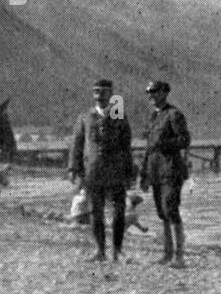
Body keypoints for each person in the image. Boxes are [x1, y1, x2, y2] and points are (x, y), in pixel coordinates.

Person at [68, 78, 135, 262]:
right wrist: (73, 167)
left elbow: (126, 146)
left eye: (104, 92)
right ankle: (99, 251)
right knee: (95, 212)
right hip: (93, 172)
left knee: (119, 212)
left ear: (111, 94)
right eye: (96, 92)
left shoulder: (119, 116)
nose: (99, 96)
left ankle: (118, 250)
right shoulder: (85, 116)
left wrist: (129, 171)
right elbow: (76, 144)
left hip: (116, 171)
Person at [140, 80, 191, 268]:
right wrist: (144, 174)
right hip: (155, 171)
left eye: (154, 91)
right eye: (148, 92)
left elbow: (185, 140)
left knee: (171, 210)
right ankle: (167, 254)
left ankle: (179, 257)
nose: (150, 95)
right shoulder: (154, 116)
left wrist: (165, 144)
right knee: (162, 213)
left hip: (171, 170)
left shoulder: (174, 114)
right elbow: (149, 148)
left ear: (164, 93)